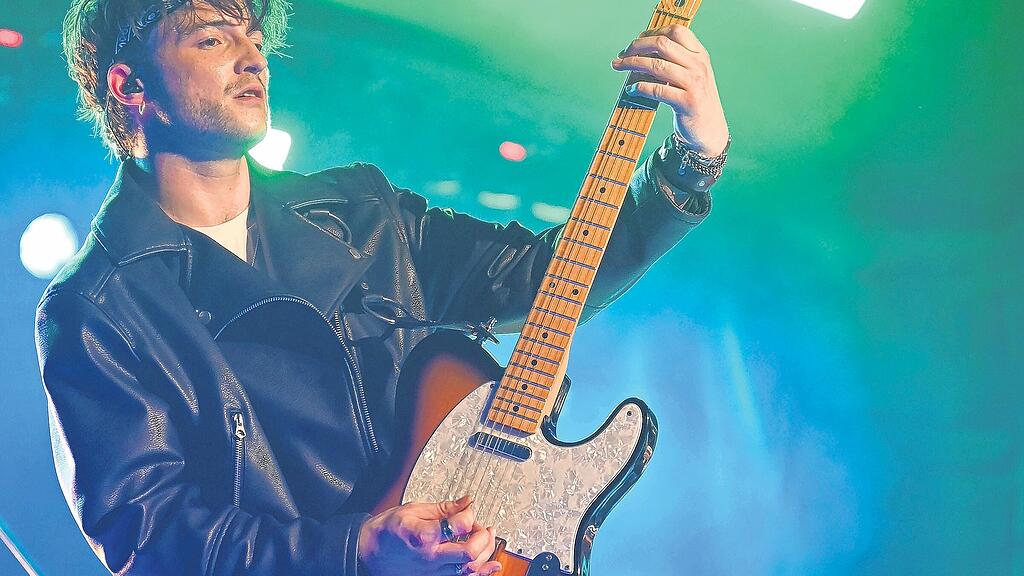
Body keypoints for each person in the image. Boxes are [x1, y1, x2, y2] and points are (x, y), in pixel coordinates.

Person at [36, 0, 730, 574]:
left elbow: (541, 276)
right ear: (129, 86)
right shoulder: (96, 306)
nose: (252, 58)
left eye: (254, 37)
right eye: (213, 39)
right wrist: (356, 549)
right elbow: (151, 535)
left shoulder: (361, 210)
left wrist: (688, 163)